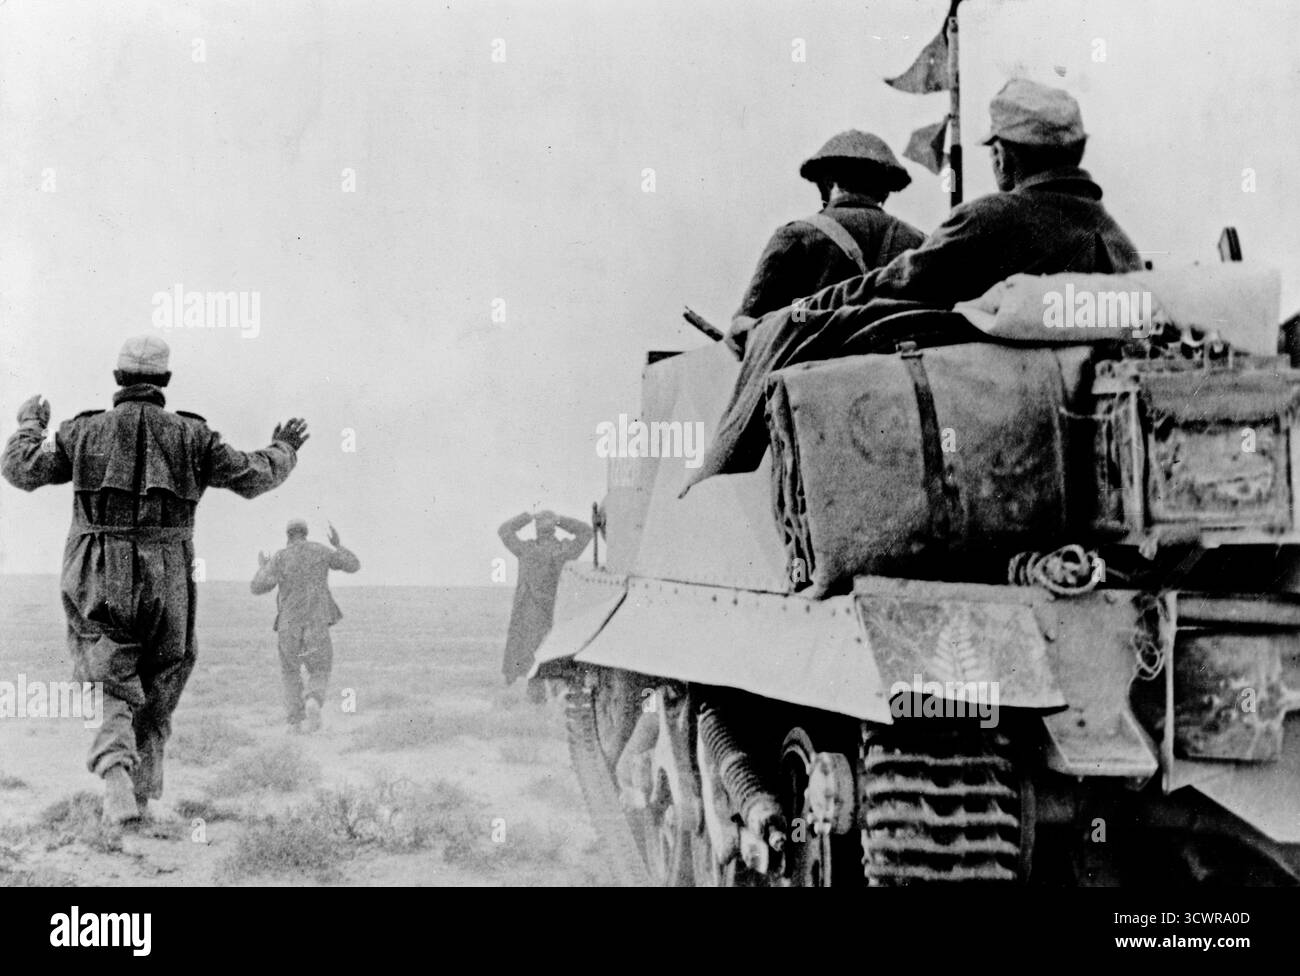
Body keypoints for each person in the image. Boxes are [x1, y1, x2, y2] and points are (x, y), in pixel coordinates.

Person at [687, 78, 1144, 489]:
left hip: (882, 439)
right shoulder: (1116, 240)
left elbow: (896, 285)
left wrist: (793, 315)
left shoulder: (984, 222)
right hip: (1073, 451)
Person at [1, 336, 307, 825]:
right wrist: (285, 448)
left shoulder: (83, 432)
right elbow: (253, 476)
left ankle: (117, 775)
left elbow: (21, 469)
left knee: (108, 672)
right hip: (170, 575)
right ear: (164, 382)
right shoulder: (194, 436)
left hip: (97, 568)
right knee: (164, 673)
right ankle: (140, 790)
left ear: (118, 378)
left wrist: (30, 422)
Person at [730, 130, 924, 351]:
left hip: (812, 376)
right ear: (885, 190)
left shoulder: (798, 235)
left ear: (828, 183)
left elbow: (744, 329)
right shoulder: (919, 241)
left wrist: (799, 314)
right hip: (902, 373)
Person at [250, 519, 360, 733]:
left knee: (290, 673)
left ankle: (295, 724)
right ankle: (313, 700)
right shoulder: (321, 551)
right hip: (316, 623)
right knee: (320, 668)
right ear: (306, 533)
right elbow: (353, 565)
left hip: (288, 627)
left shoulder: (280, 557)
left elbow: (257, 587)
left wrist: (263, 567)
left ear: (288, 535)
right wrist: (338, 545)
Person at [498, 510, 593, 702]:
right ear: (552, 528)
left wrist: (526, 517)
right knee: (559, 668)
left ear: (536, 529)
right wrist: (561, 520)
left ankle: (537, 712)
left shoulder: (526, 550)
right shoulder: (566, 550)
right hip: (558, 616)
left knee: (535, 671)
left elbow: (504, 530)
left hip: (532, 619)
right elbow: (586, 531)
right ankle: (562, 710)